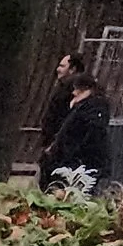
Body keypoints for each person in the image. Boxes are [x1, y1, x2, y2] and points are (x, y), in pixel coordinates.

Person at [44, 74, 111, 193]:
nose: (74, 93)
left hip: (81, 162)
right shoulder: (86, 108)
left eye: (76, 89)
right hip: (75, 160)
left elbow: (84, 136)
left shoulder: (92, 110)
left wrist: (69, 154)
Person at [35, 53, 88, 187]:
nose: (58, 69)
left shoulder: (69, 87)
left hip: (59, 145)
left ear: (73, 69)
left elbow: (58, 116)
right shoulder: (74, 86)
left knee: (53, 183)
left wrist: (51, 142)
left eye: (62, 66)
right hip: (62, 144)